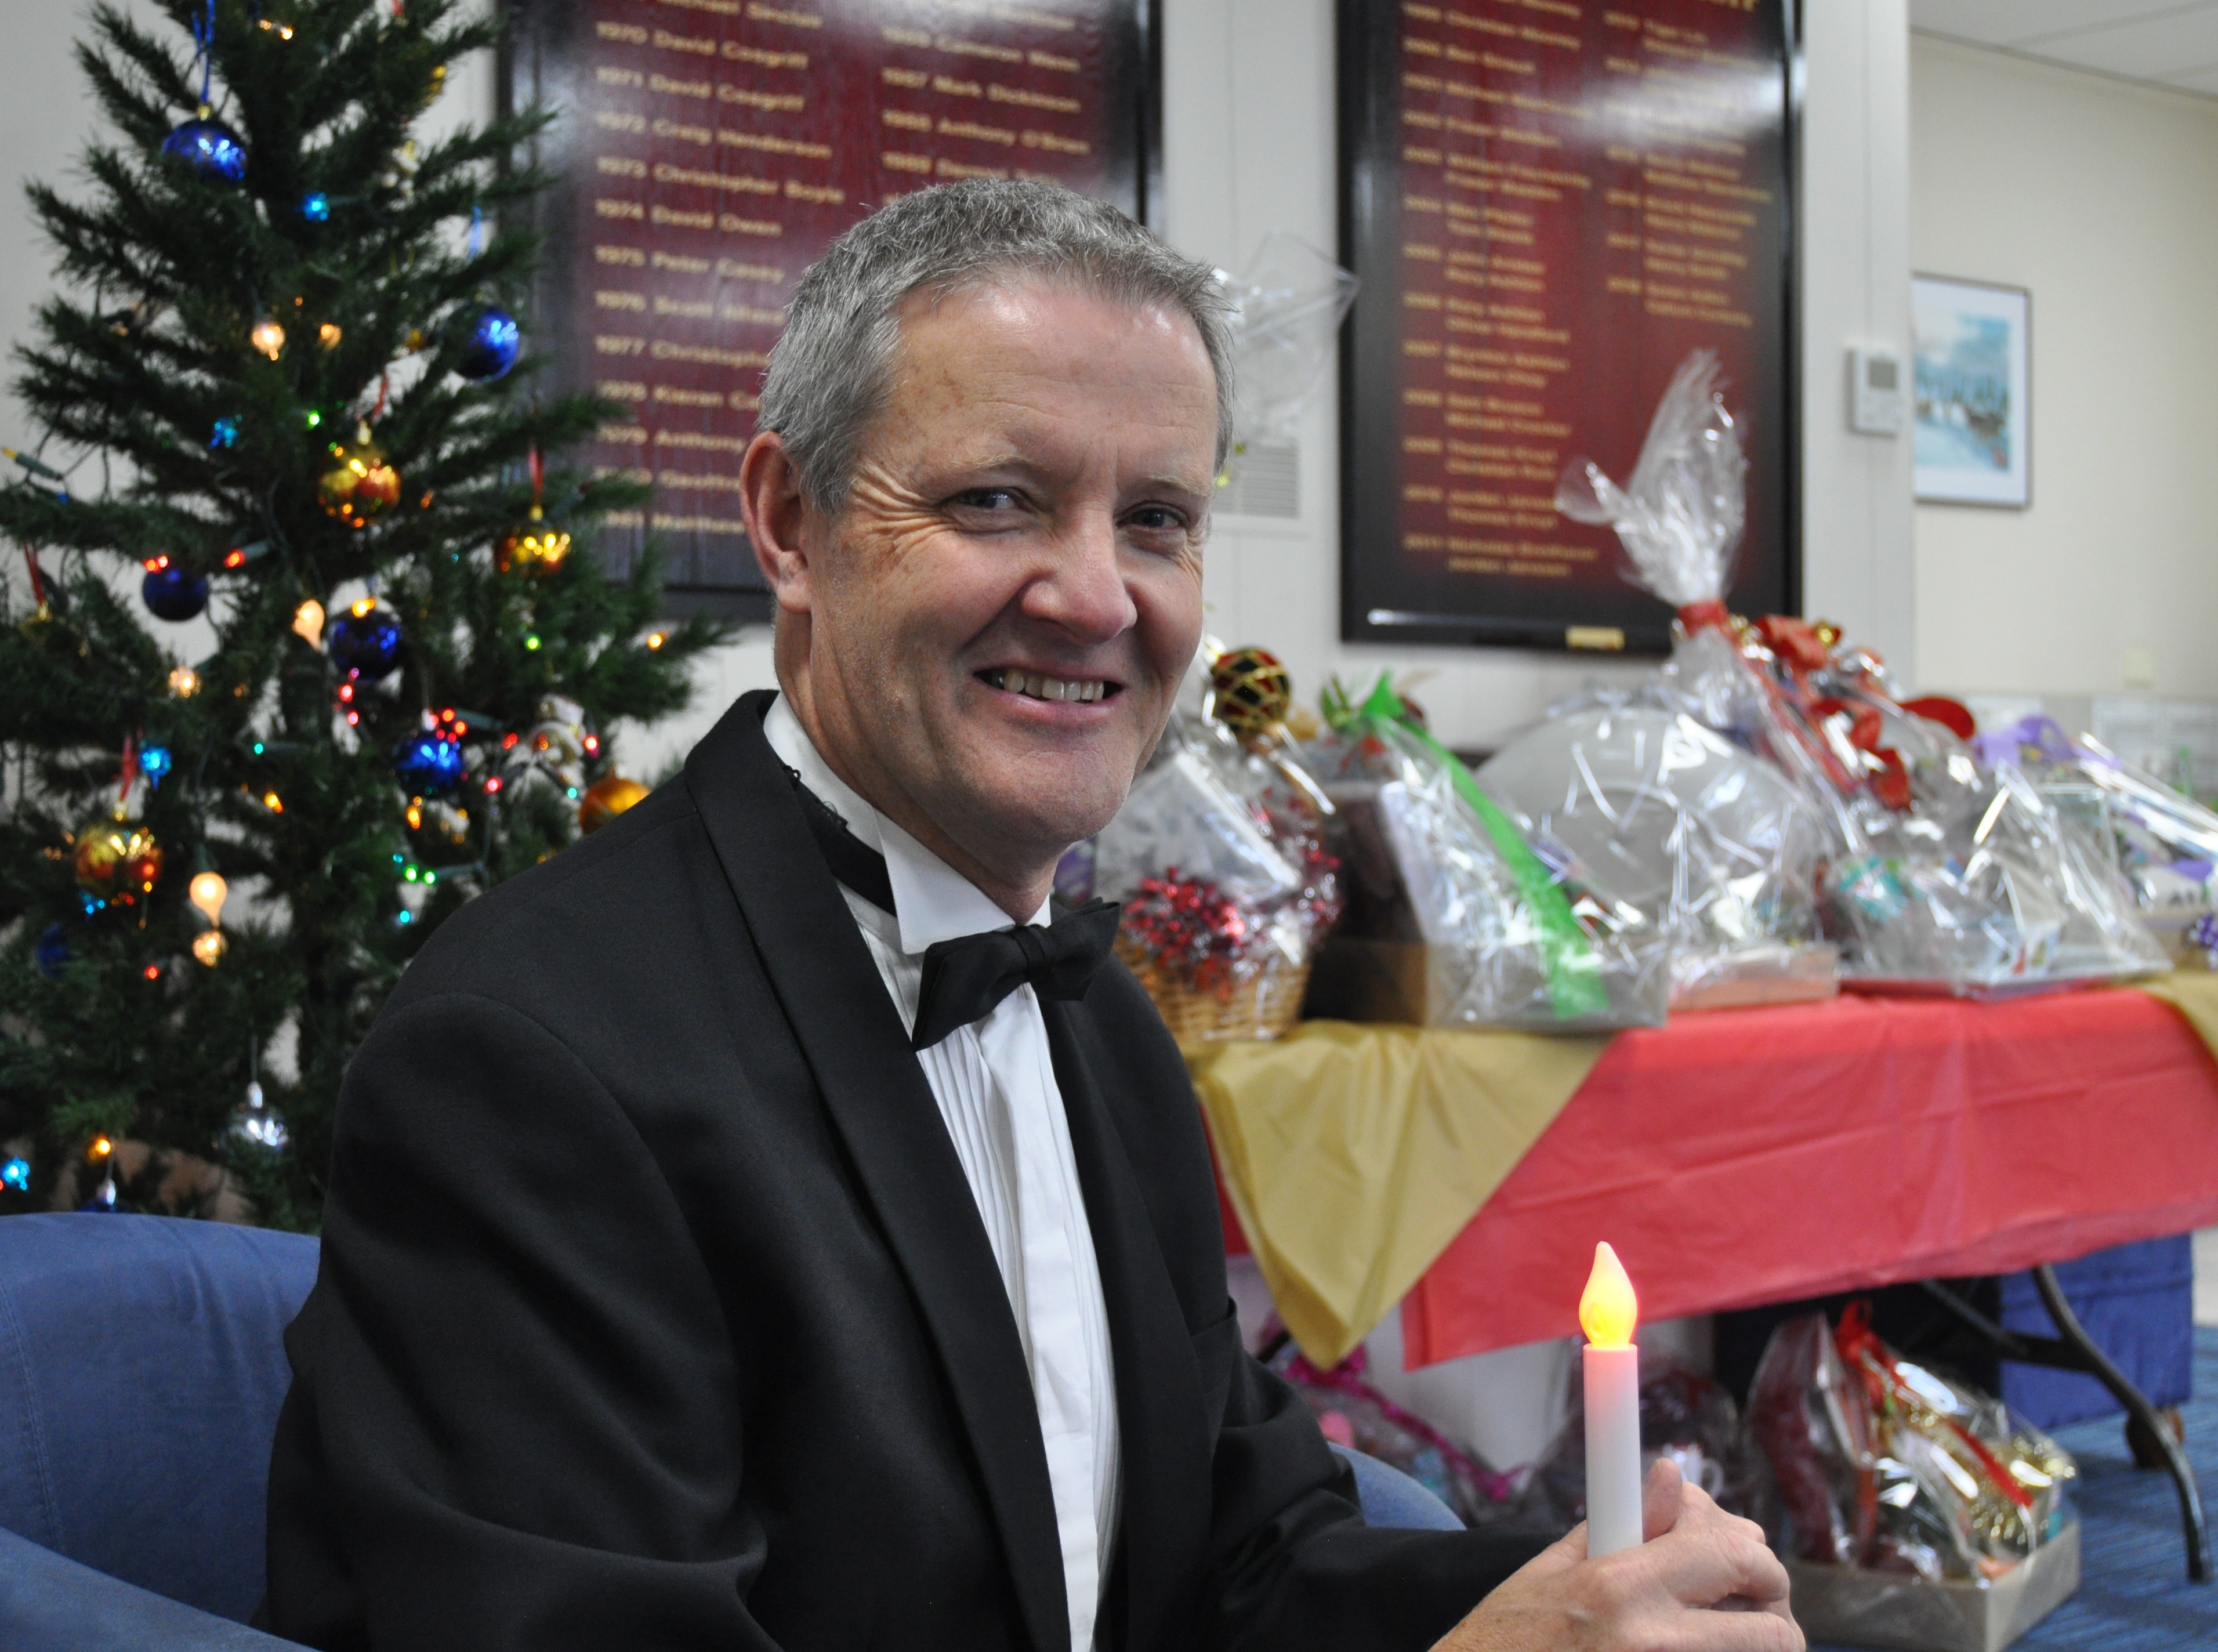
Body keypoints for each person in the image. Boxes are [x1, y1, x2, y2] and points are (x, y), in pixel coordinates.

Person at [262, 179, 1801, 1652]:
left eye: (1155, 521)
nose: (1094, 597)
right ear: (791, 524)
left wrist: (1570, 1609)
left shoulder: (1103, 1026)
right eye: (998, 500)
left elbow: (1242, 1563)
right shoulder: (532, 1062)